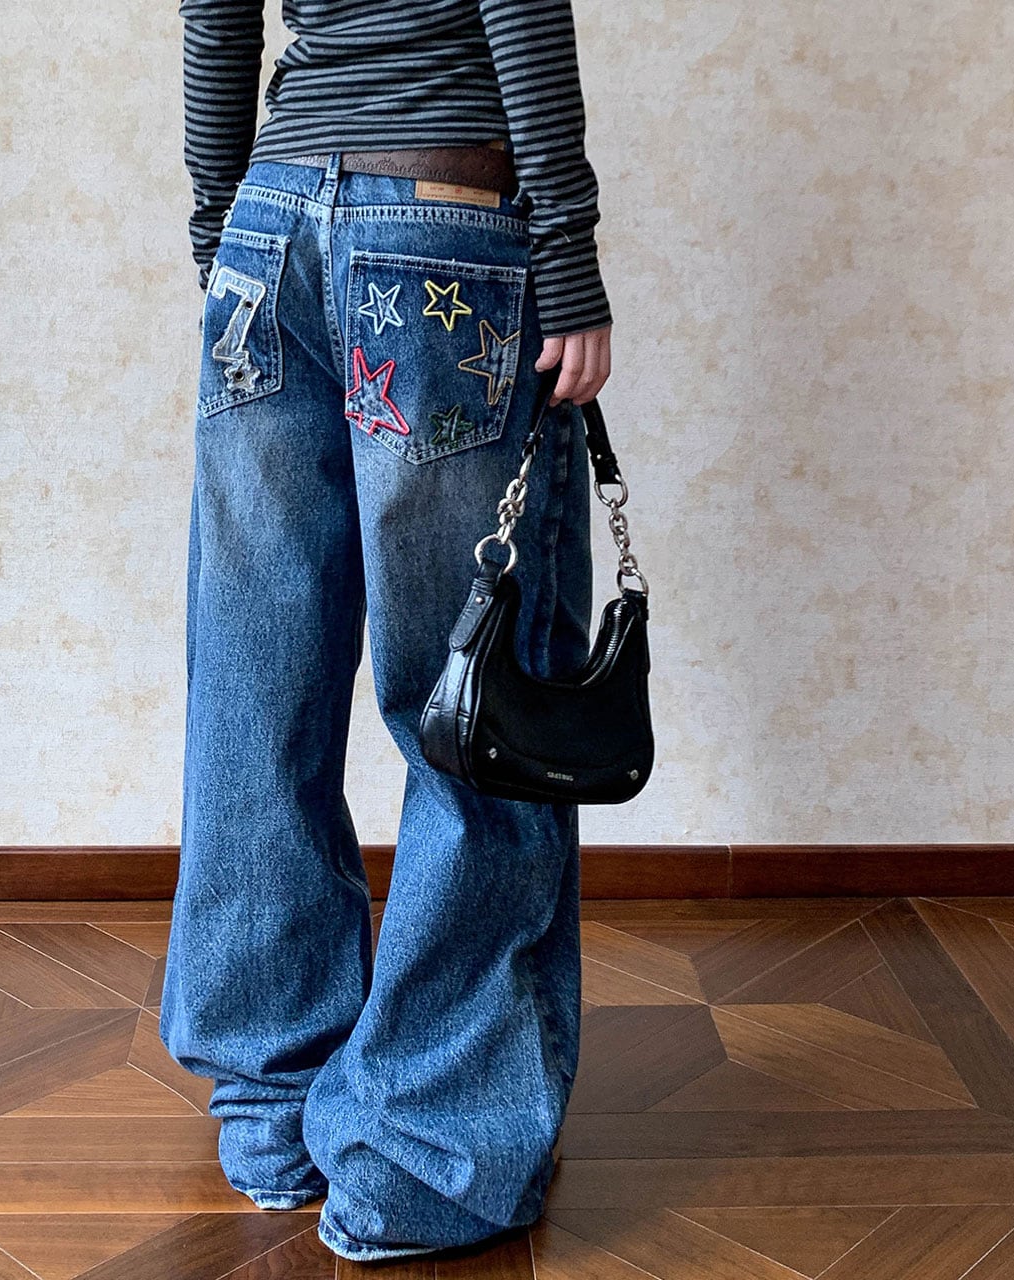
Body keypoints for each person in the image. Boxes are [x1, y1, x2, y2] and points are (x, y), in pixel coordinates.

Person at [160, 0, 612, 1262]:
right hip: (440, 229)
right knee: (468, 702)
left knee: (256, 691)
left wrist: (220, 230)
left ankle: (270, 1112)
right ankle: (422, 1157)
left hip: (268, 226)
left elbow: (215, 17)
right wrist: (568, 255)